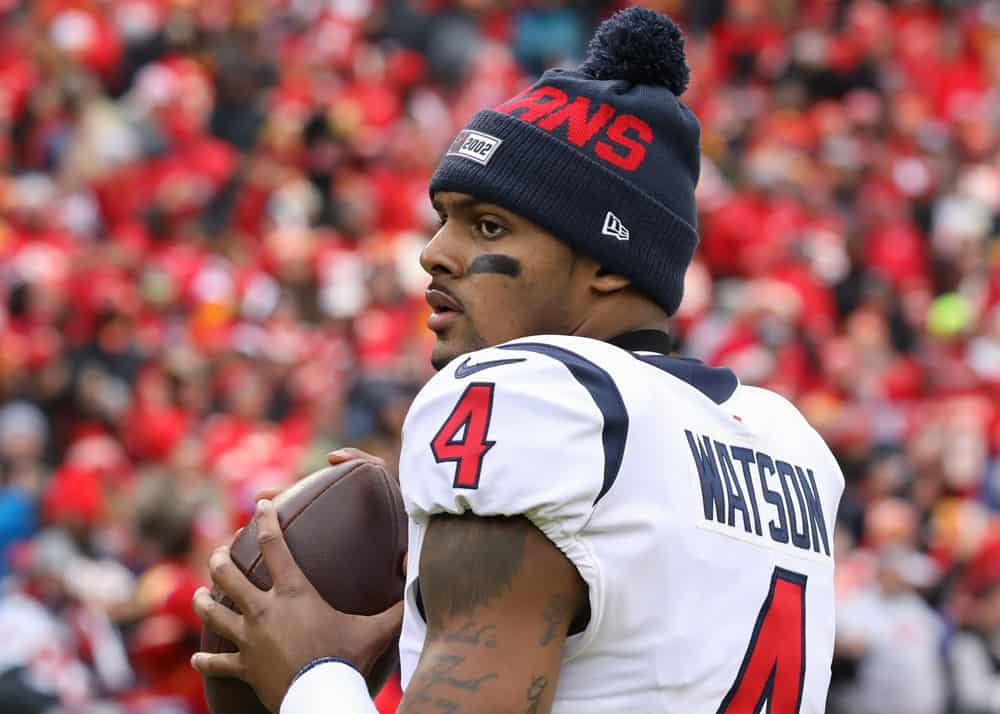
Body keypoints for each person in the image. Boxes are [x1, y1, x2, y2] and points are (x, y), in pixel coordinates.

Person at [191, 8, 845, 713]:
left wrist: (312, 675)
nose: (434, 252)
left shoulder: (534, 397)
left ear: (606, 263)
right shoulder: (788, 441)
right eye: (443, 216)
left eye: (488, 225)